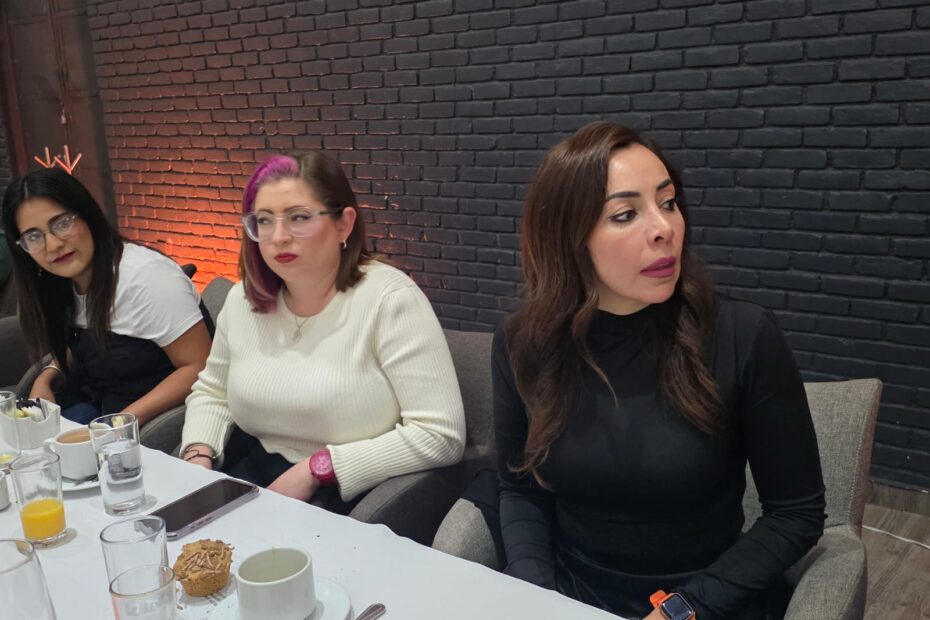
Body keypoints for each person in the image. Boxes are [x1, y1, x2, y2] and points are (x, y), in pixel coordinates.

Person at [476, 122, 825, 620]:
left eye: (668, 202)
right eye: (625, 214)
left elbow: (796, 514)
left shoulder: (742, 335)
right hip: (574, 596)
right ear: (567, 238)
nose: (664, 228)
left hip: (706, 601)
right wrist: (539, 595)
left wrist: (685, 607)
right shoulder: (522, 342)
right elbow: (518, 487)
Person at [180, 152, 466, 512]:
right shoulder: (242, 300)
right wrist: (198, 455)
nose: (278, 237)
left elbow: (441, 435)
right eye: (264, 221)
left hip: (353, 491)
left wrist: (318, 469)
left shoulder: (390, 299)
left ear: (343, 224)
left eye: (298, 217)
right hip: (252, 473)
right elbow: (213, 392)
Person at [1, 168, 212, 425]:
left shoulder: (145, 276)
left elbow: (199, 366)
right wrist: (47, 377)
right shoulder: (61, 281)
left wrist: (120, 423)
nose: (53, 244)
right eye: (33, 236)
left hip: (154, 426)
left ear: (87, 215)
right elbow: (85, 343)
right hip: (101, 412)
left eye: (62, 223)